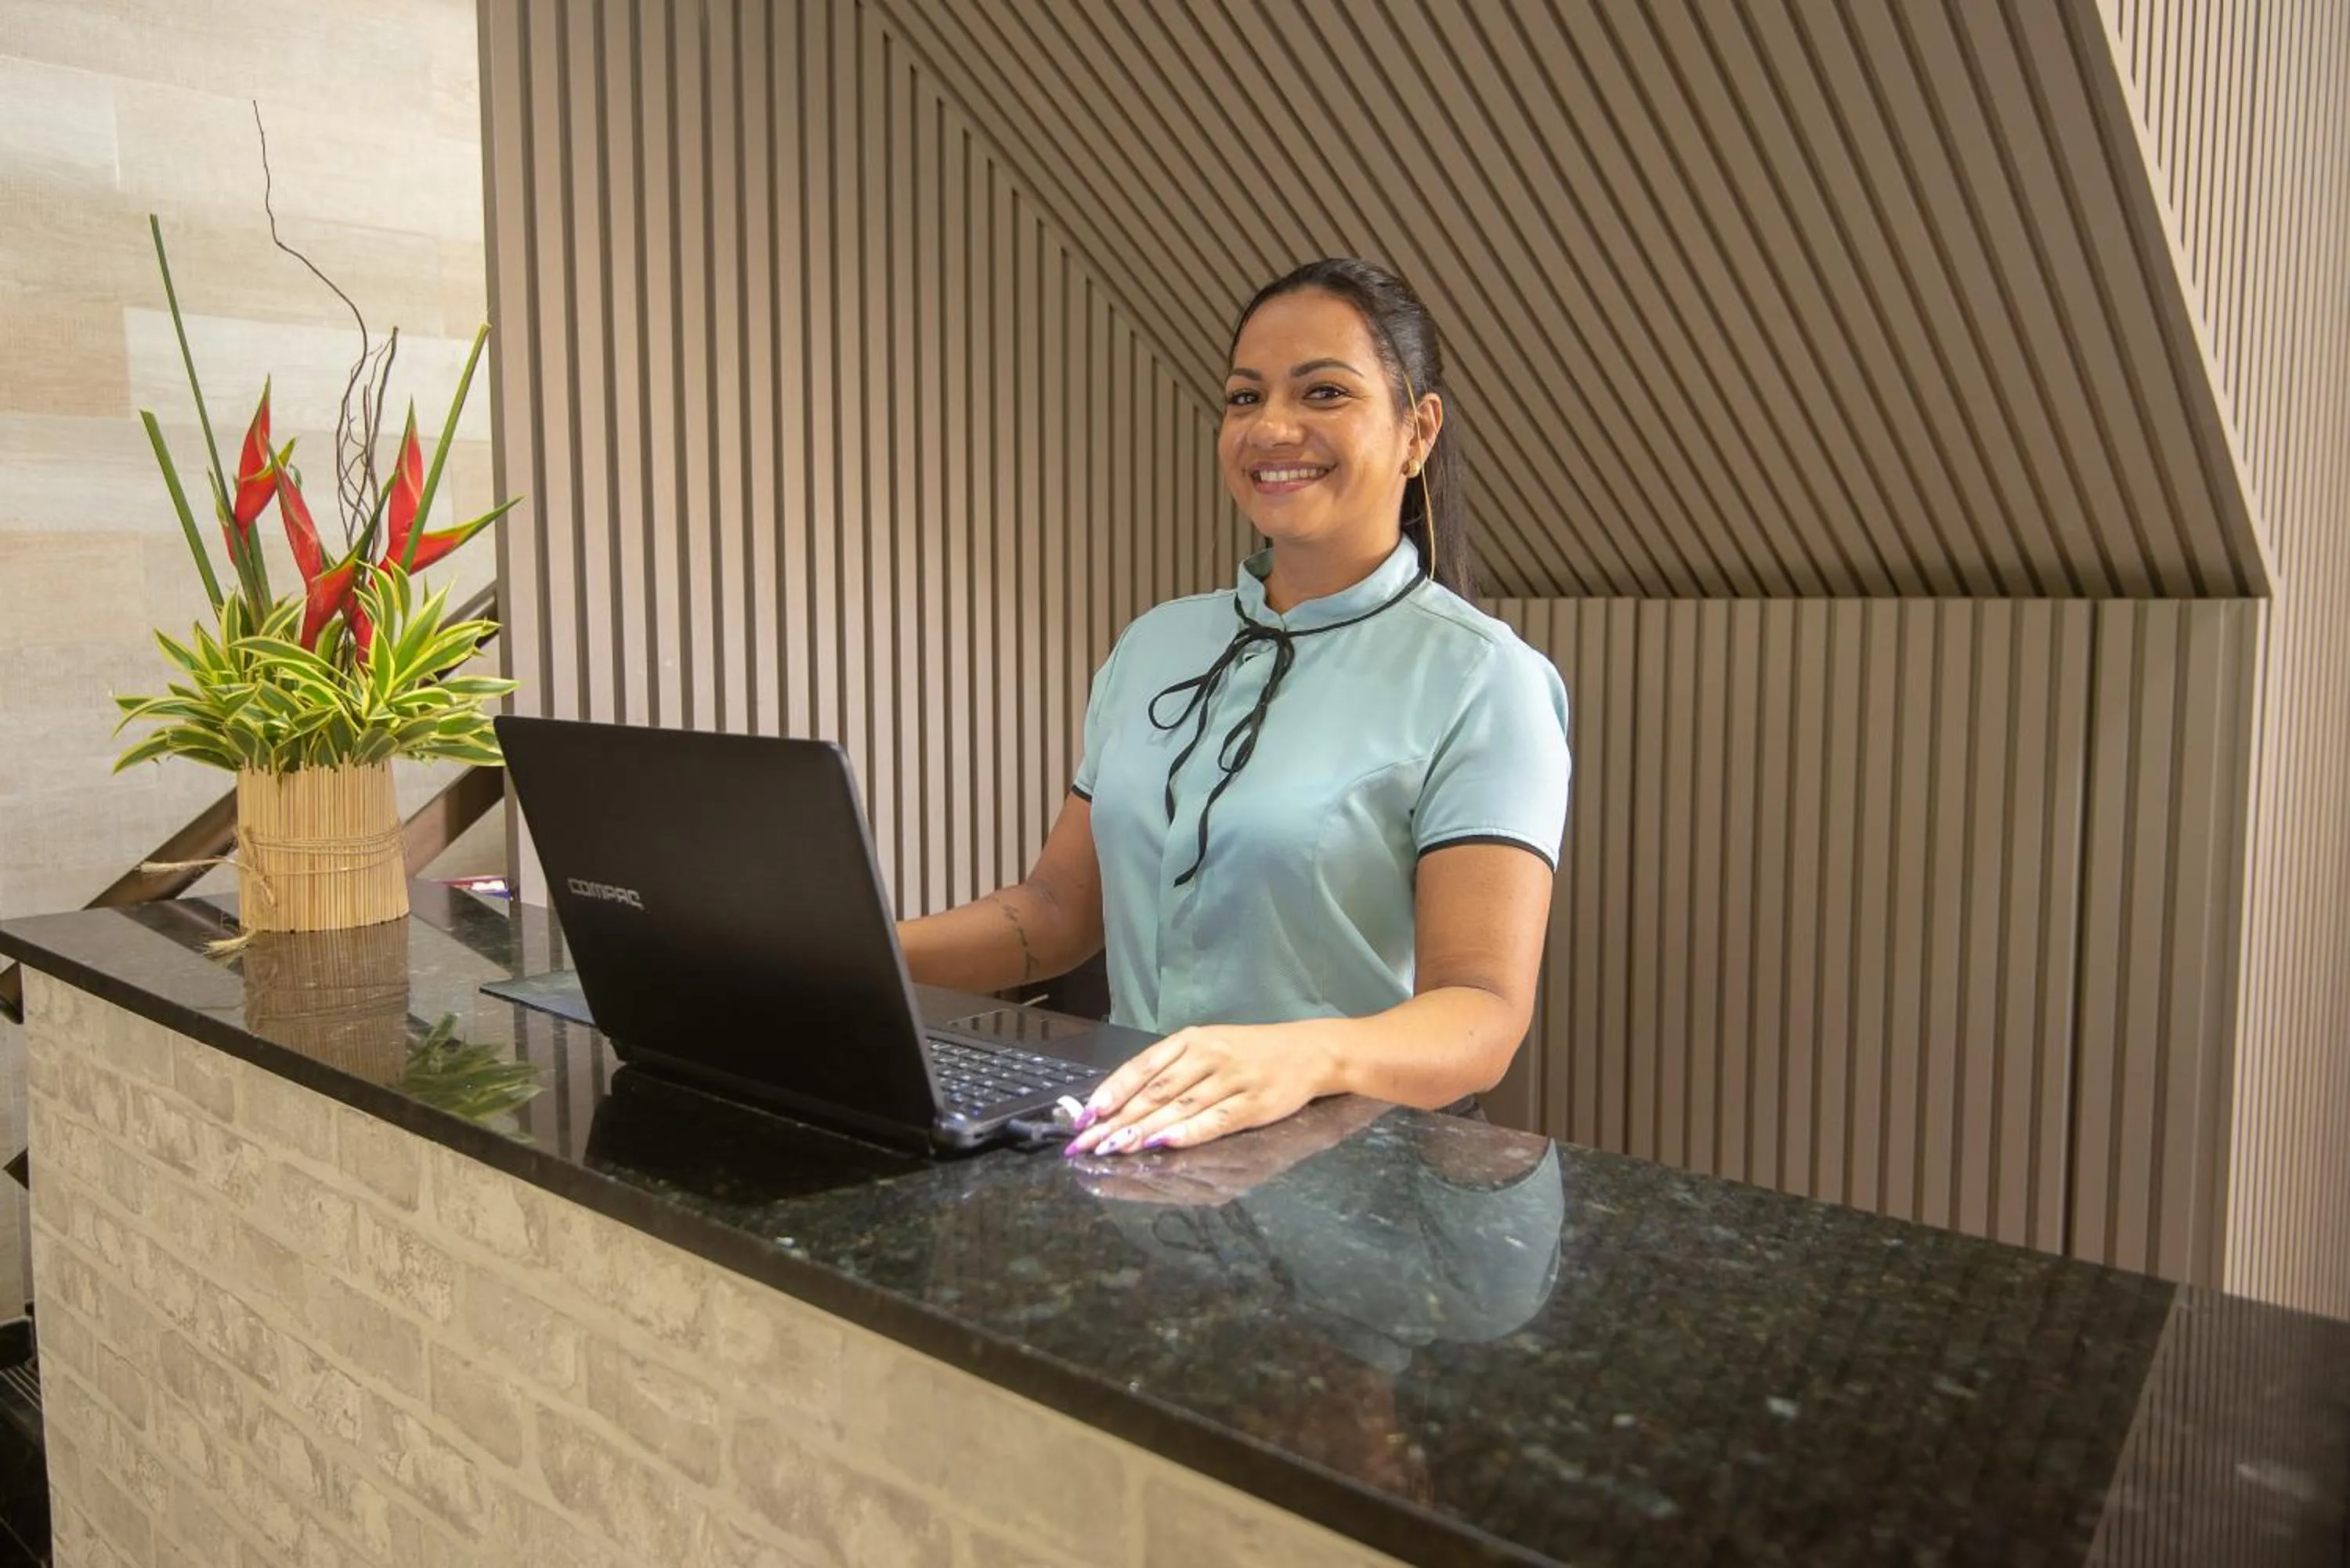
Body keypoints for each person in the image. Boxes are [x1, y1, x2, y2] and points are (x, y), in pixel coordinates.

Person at [898, 257, 1571, 1155]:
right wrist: (852, 952)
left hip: (1363, 1186)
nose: (1273, 428)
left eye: (1323, 391)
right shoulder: (1154, 645)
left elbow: (1482, 1013)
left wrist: (1301, 1057)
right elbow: (1059, 909)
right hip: (1137, 1151)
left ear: (1418, 431)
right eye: (1245, 398)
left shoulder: (1487, 681)